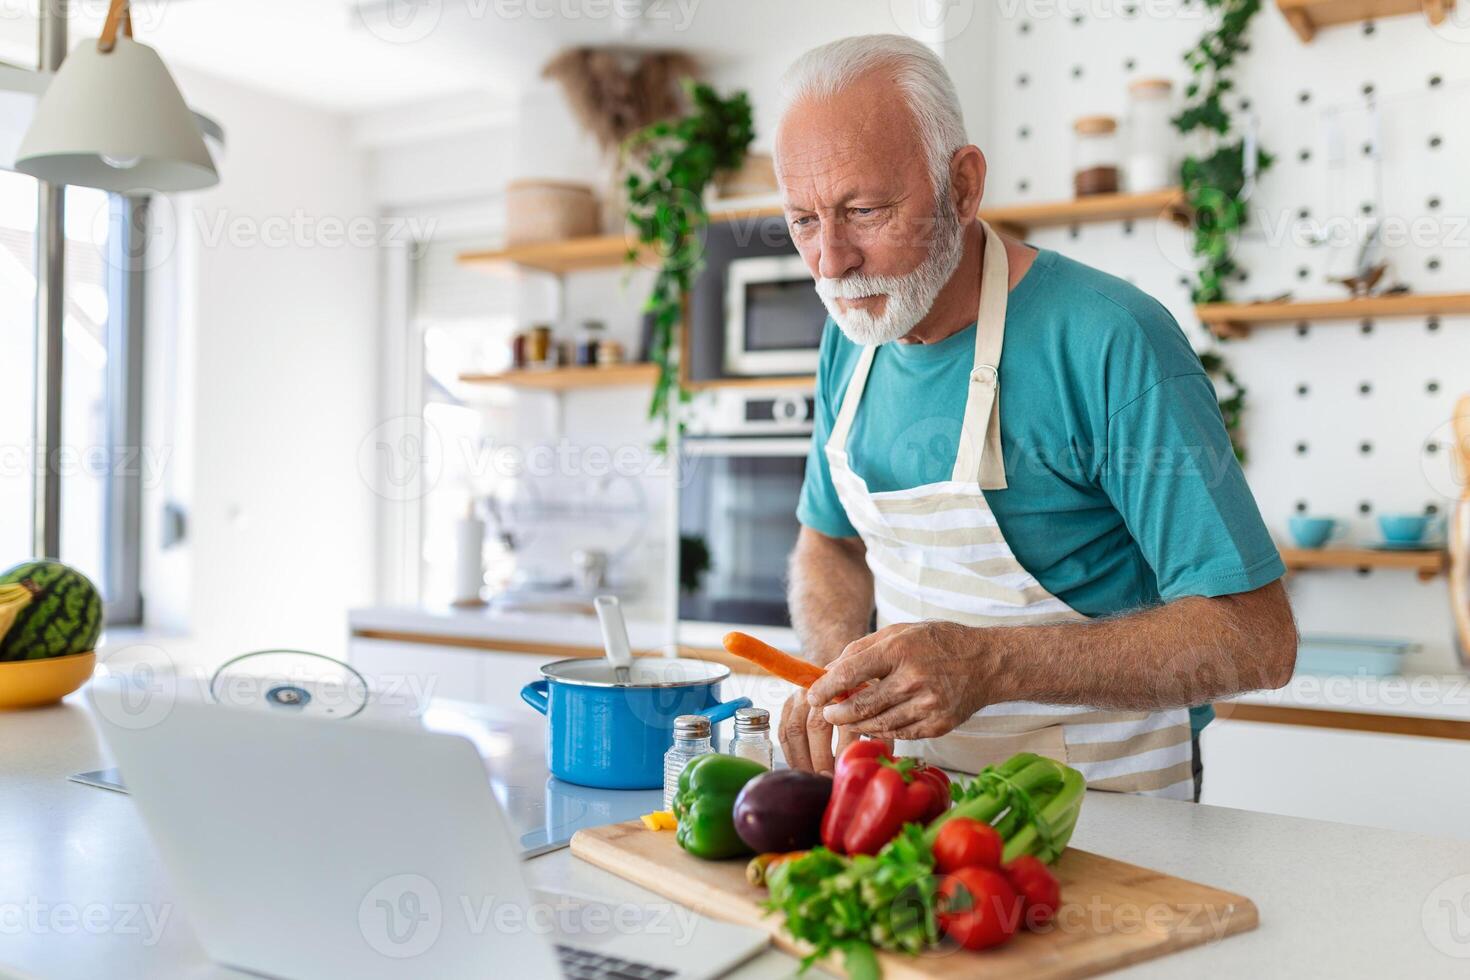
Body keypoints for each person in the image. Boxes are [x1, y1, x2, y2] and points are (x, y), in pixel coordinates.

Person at [775, 35, 1296, 801]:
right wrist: (840, 678)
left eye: (864, 210)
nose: (831, 261)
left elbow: (1256, 639)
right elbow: (828, 546)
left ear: (962, 186)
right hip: (906, 811)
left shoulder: (1109, 338)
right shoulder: (853, 338)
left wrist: (989, 666)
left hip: (1108, 818)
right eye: (803, 221)